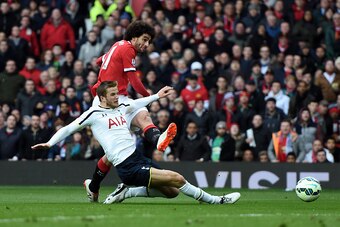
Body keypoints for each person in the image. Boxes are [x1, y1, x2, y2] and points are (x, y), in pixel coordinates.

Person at [32, 81, 240, 205]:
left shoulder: (121, 106)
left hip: (137, 157)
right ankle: (216, 200)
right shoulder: (93, 114)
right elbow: (69, 128)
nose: (117, 96)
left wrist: (158, 95)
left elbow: (139, 102)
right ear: (102, 98)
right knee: (177, 177)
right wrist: (50, 144)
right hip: (127, 166)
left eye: (117, 93)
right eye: (113, 94)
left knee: (172, 192)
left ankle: (127, 192)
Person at [90, 21, 177, 200]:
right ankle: (93, 186)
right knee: (113, 152)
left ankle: (159, 139)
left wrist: (106, 66)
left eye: (149, 42)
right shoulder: (128, 49)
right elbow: (135, 81)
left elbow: (99, 60)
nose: (146, 45)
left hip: (117, 99)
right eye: (144, 40)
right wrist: (150, 96)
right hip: (107, 103)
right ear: (134, 36)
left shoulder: (117, 45)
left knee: (142, 114)